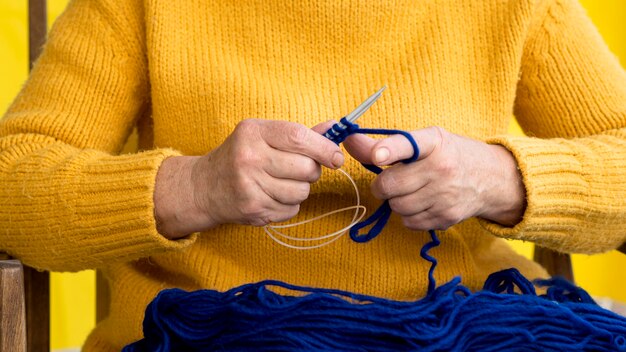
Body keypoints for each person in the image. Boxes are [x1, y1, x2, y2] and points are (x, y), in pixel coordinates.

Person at [1, 0, 625, 350]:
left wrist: (500, 177)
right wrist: (195, 188)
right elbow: (13, 181)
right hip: (207, 335)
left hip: (468, 330)